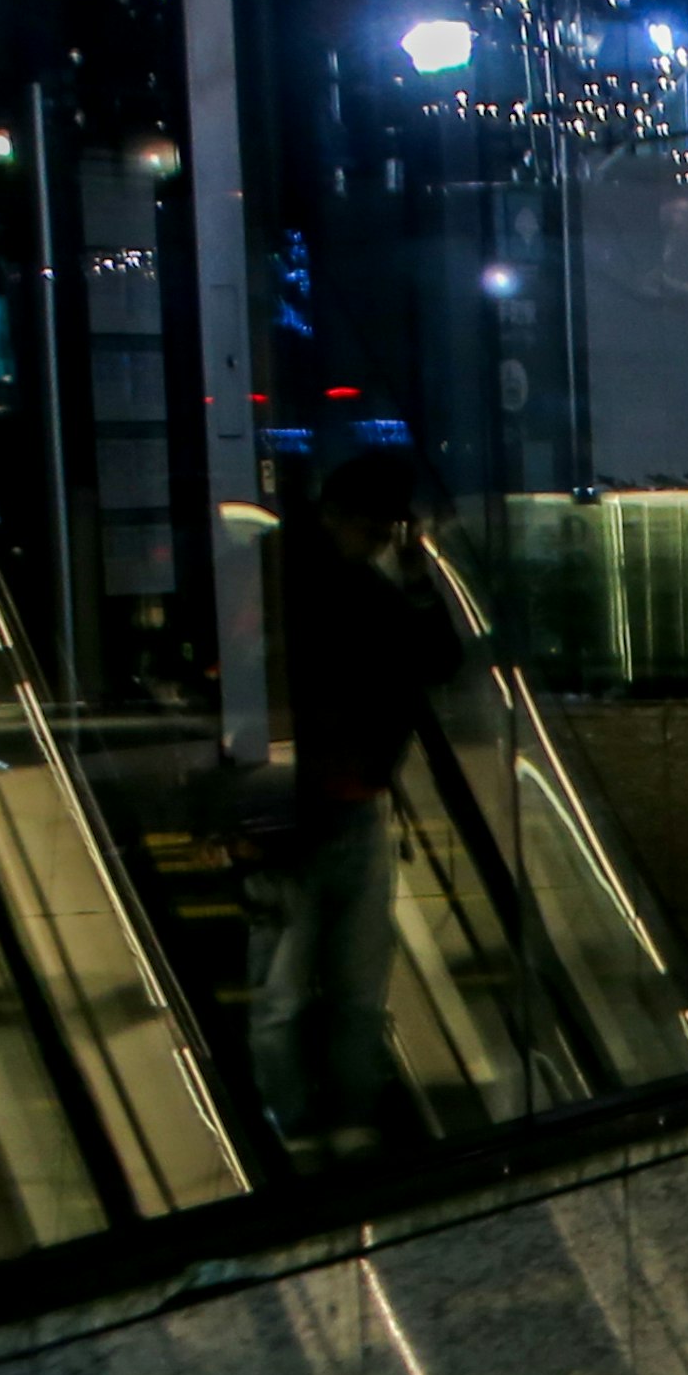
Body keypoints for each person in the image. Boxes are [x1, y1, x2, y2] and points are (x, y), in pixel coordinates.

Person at [250, 445, 462, 1158]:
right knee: (317, 986)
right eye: (374, 530)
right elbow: (433, 661)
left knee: (319, 986)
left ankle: (322, 1123)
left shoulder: (327, 581)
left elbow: (436, 660)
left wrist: (407, 577)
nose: (379, 543)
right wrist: (408, 579)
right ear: (339, 515)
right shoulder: (312, 584)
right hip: (303, 807)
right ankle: (325, 1123)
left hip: (335, 802)